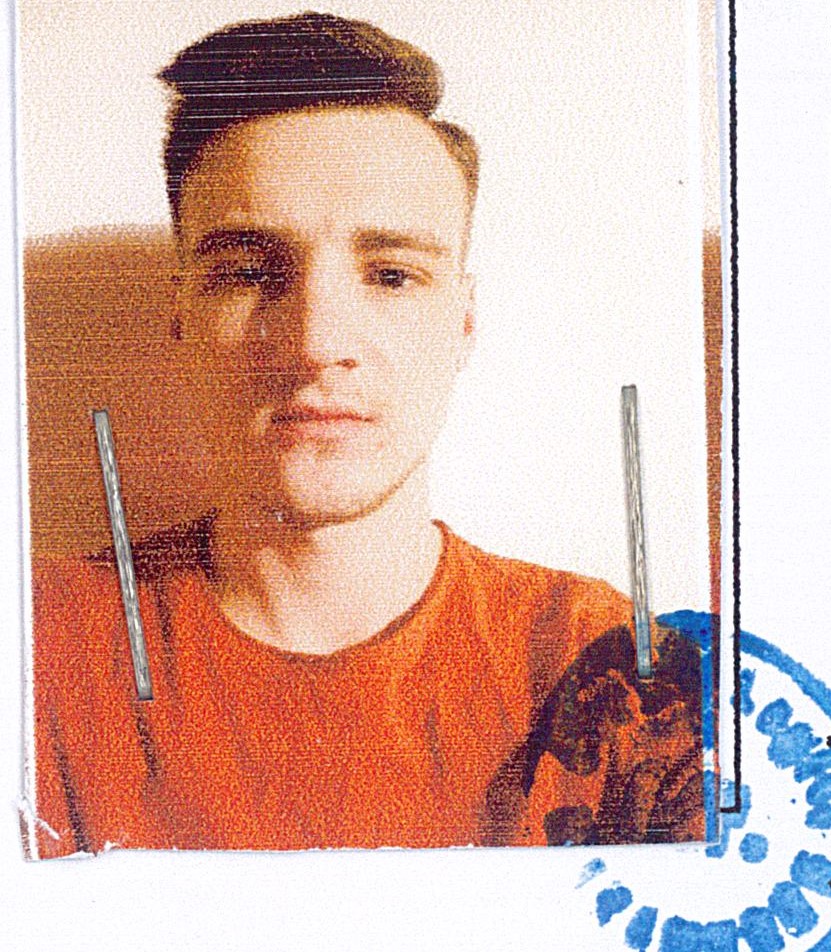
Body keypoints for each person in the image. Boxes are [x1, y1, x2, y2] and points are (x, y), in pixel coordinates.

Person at [30, 12, 705, 859]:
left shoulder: (617, 669)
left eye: (390, 275)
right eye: (247, 273)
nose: (317, 343)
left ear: (463, 319)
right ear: (181, 314)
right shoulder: (35, 645)